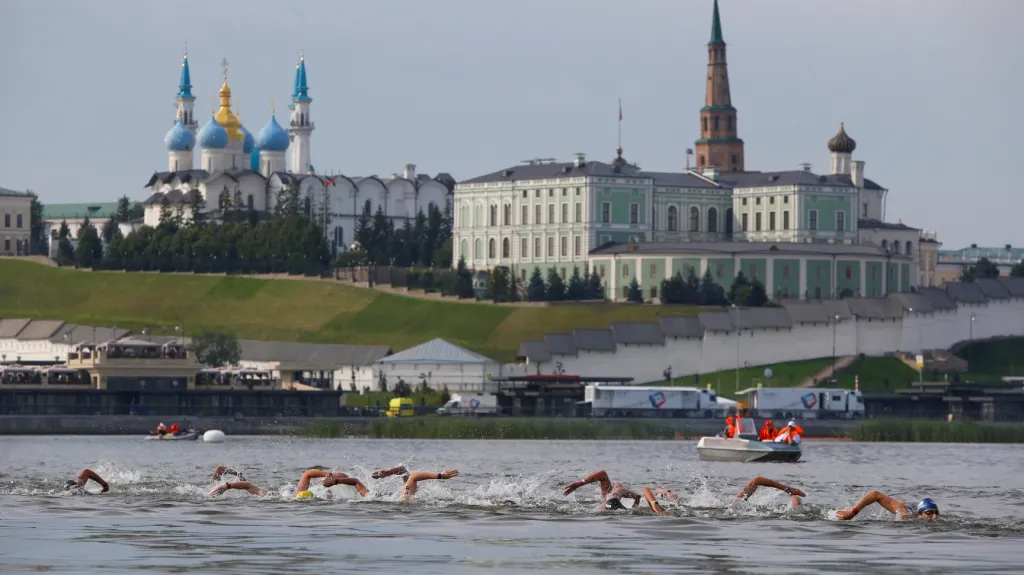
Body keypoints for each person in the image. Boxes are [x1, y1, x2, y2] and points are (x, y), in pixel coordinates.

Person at [562, 470, 678, 515]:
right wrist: (580, 483)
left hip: (615, 507)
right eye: (616, 484)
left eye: (618, 484)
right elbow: (602, 473)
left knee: (616, 492)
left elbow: (649, 490)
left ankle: (654, 503)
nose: (617, 484)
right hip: (611, 506)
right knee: (616, 492)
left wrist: (666, 492)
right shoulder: (610, 493)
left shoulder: (614, 493)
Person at [372, 465, 459, 502]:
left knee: (404, 472)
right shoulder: (406, 498)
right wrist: (440, 475)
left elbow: (403, 470)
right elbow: (414, 476)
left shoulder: (406, 496)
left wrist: (387, 472)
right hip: (405, 500)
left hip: (403, 499)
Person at [836, 491, 940, 521]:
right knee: (900, 504)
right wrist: (852, 512)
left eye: (936, 512)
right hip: (903, 507)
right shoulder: (905, 514)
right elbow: (875, 494)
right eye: (929, 513)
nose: (934, 516)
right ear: (920, 515)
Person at [735, 476, 805, 507]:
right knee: (795, 499)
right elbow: (756, 480)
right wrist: (787, 489)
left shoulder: (734, 504)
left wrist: (788, 490)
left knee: (795, 499)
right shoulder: (734, 504)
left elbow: (756, 480)